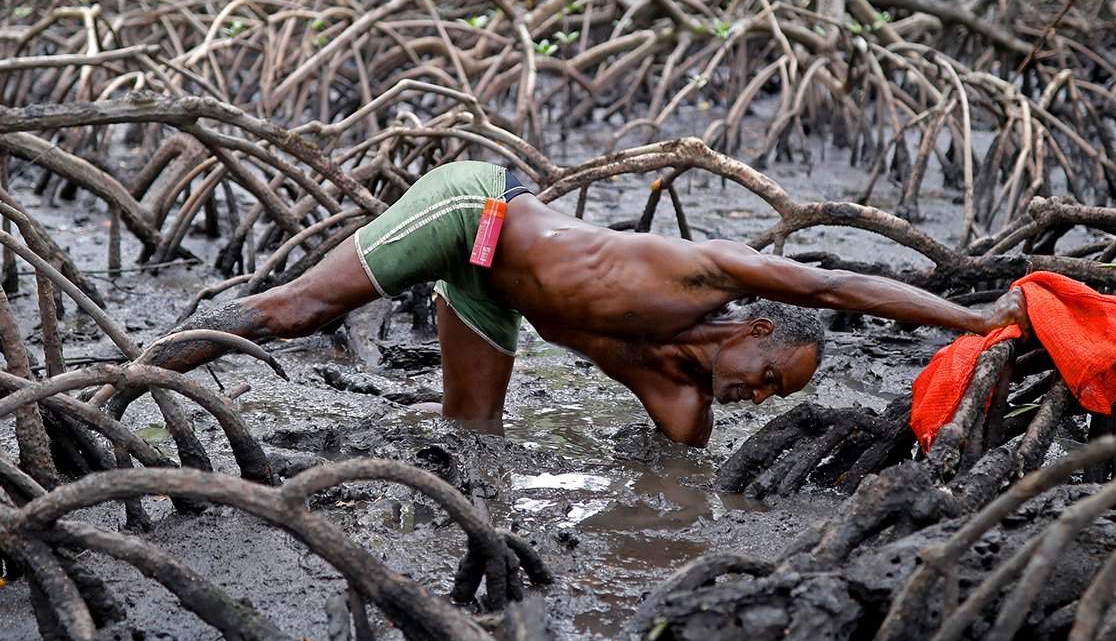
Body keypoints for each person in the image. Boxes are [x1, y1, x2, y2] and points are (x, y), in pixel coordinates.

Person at [140, 160, 1027, 447]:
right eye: (766, 376)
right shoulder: (708, 272)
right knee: (301, 312)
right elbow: (842, 285)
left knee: (475, 448)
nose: (757, 398)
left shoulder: (682, 404)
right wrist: (975, 320)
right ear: (757, 326)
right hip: (478, 209)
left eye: (771, 400)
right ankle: (128, 376)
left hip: (489, 291)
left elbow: (676, 458)